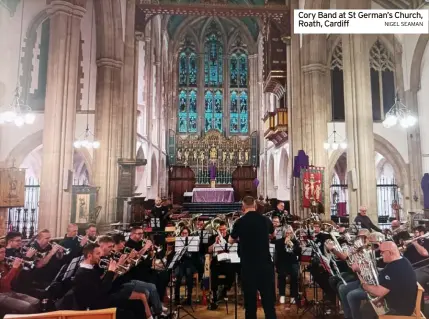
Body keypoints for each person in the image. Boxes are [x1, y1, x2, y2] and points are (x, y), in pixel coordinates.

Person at [229, 196, 277, 319]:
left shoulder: (239, 222)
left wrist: (241, 238)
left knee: (250, 304)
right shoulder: (265, 220)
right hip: (265, 266)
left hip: (248, 267)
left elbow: (230, 240)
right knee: (268, 303)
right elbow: (273, 234)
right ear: (255, 206)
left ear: (243, 207)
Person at [360, 241, 417, 318]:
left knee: (366, 309)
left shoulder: (392, 268)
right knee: (369, 305)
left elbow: (379, 292)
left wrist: (364, 285)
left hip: (399, 310)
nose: (380, 254)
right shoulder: (403, 260)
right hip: (406, 304)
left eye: (382, 252)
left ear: (390, 253)